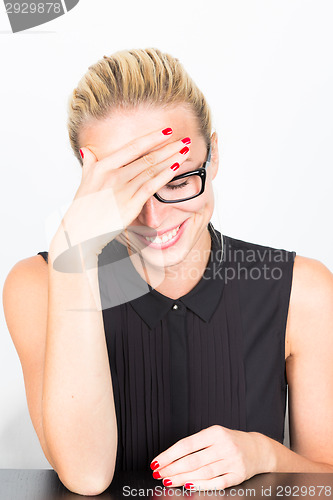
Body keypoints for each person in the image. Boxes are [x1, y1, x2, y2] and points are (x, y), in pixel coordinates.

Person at [2, 48, 333, 496]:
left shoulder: (303, 291)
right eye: (127, 191)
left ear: (212, 156)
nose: (154, 221)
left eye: (176, 182)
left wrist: (264, 454)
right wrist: (72, 254)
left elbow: (326, 478)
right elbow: (86, 474)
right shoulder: (38, 285)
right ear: (88, 180)